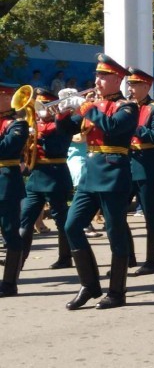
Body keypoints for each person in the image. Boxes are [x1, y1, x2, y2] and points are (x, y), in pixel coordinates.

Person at [61, 54, 138, 309]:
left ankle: (117, 292)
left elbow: (112, 127)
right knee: (72, 226)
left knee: (115, 233)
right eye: (97, 75)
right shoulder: (93, 104)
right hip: (90, 175)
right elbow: (68, 130)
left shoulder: (128, 107)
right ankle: (89, 285)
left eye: (103, 76)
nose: (98, 80)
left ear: (117, 78)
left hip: (114, 174)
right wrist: (62, 113)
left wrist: (87, 108)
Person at [18, 88, 81, 272]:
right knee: (25, 217)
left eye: (44, 105)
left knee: (61, 219)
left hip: (56, 175)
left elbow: (56, 145)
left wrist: (37, 134)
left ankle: (65, 257)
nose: (40, 110)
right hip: (36, 177)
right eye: (39, 106)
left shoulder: (62, 123)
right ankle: (18, 260)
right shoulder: (34, 124)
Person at [125, 68, 154, 275]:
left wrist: (133, 126)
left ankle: (152, 261)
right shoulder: (124, 106)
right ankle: (127, 257)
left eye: (134, 85)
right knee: (116, 213)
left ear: (146, 86)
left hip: (146, 164)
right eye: (129, 84)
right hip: (125, 164)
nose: (130, 89)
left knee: (151, 215)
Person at [0, 82, 29, 297]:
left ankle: (9, 283)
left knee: (10, 232)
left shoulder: (17, 125)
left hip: (6, 184)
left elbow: (6, 148)